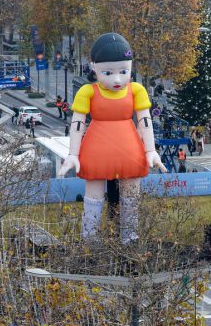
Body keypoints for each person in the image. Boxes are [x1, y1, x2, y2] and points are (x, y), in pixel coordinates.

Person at [56, 33, 167, 243]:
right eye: (108, 72)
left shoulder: (136, 90)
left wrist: (151, 150)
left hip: (119, 153)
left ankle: (124, 238)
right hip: (111, 153)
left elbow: (146, 121)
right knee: (97, 198)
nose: (117, 79)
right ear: (94, 68)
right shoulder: (87, 91)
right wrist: (72, 154)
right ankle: (93, 239)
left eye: (124, 71)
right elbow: (77, 123)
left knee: (127, 197)